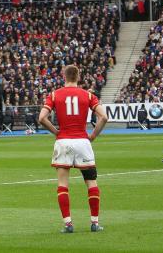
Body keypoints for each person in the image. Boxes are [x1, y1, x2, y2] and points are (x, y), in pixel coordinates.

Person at [38, 65, 108, 233]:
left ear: (64, 76)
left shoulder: (55, 95)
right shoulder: (88, 95)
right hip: (82, 142)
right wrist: (92, 136)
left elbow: (42, 118)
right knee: (91, 182)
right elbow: (104, 117)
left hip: (63, 142)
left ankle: (68, 224)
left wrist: (56, 132)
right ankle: (94, 223)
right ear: (78, 76)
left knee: (63, 184)